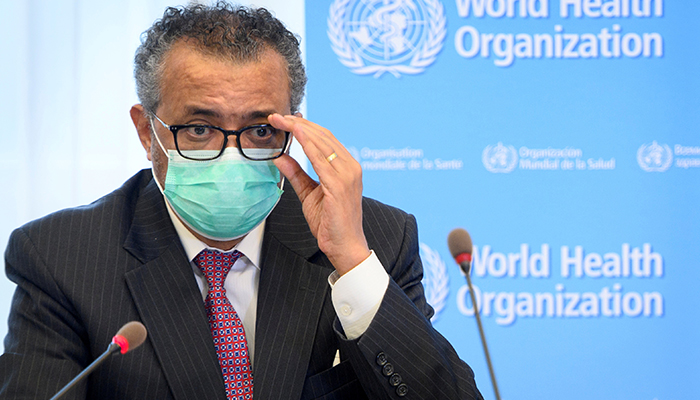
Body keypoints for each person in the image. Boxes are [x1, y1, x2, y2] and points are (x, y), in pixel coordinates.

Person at [0, 3, 483, 399]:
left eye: (259, 130)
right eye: (199, 129)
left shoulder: (375, 238)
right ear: (147, 131)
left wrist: (352, 262)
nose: (232, 156)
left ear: (293, 128)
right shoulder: (61, 258)